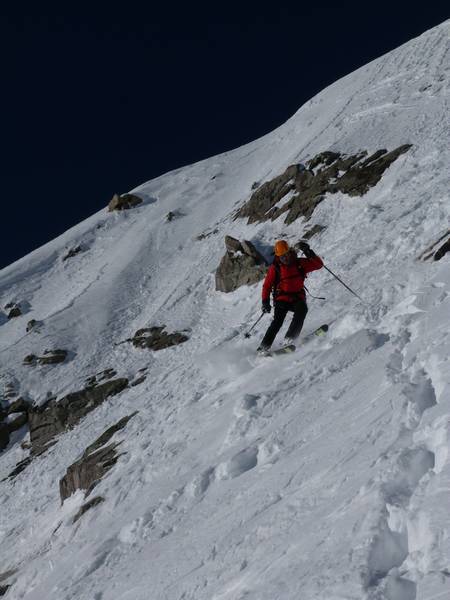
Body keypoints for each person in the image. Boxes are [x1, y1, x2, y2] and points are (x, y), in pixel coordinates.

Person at [257, 240, 323, 353]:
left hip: (297, 297)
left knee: (302, 310)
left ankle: (290, 339)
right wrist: (265, 302)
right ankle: (263, 348)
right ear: (278, 257)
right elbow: (267, 286)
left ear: (290, 252)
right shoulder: (276, 268)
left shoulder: (299, 263)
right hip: (281, 298)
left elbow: (318, 265)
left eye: (286, 254)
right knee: (277, 322)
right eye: (282, 257)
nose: (285, 258)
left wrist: (308, 252)